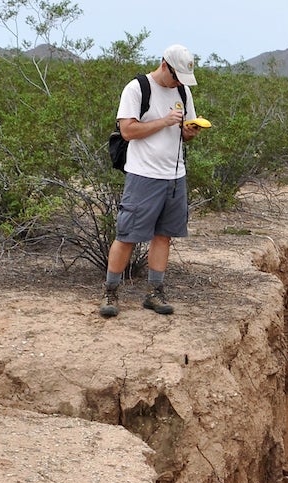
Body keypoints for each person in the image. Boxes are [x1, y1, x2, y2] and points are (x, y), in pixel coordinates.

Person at [100, 44, 204, 318]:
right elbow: (127, 130)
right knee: (127, 236)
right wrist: (164, 121)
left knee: (164, 235)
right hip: (143, 175)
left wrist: (189, 130)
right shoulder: (136, 88)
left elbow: (185, 132)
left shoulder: (183, 91)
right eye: (176, 76)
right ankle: (110, 292)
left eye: (183, 79)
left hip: (174, 176)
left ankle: (154, 292)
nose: (178, 82)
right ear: (164, 64)